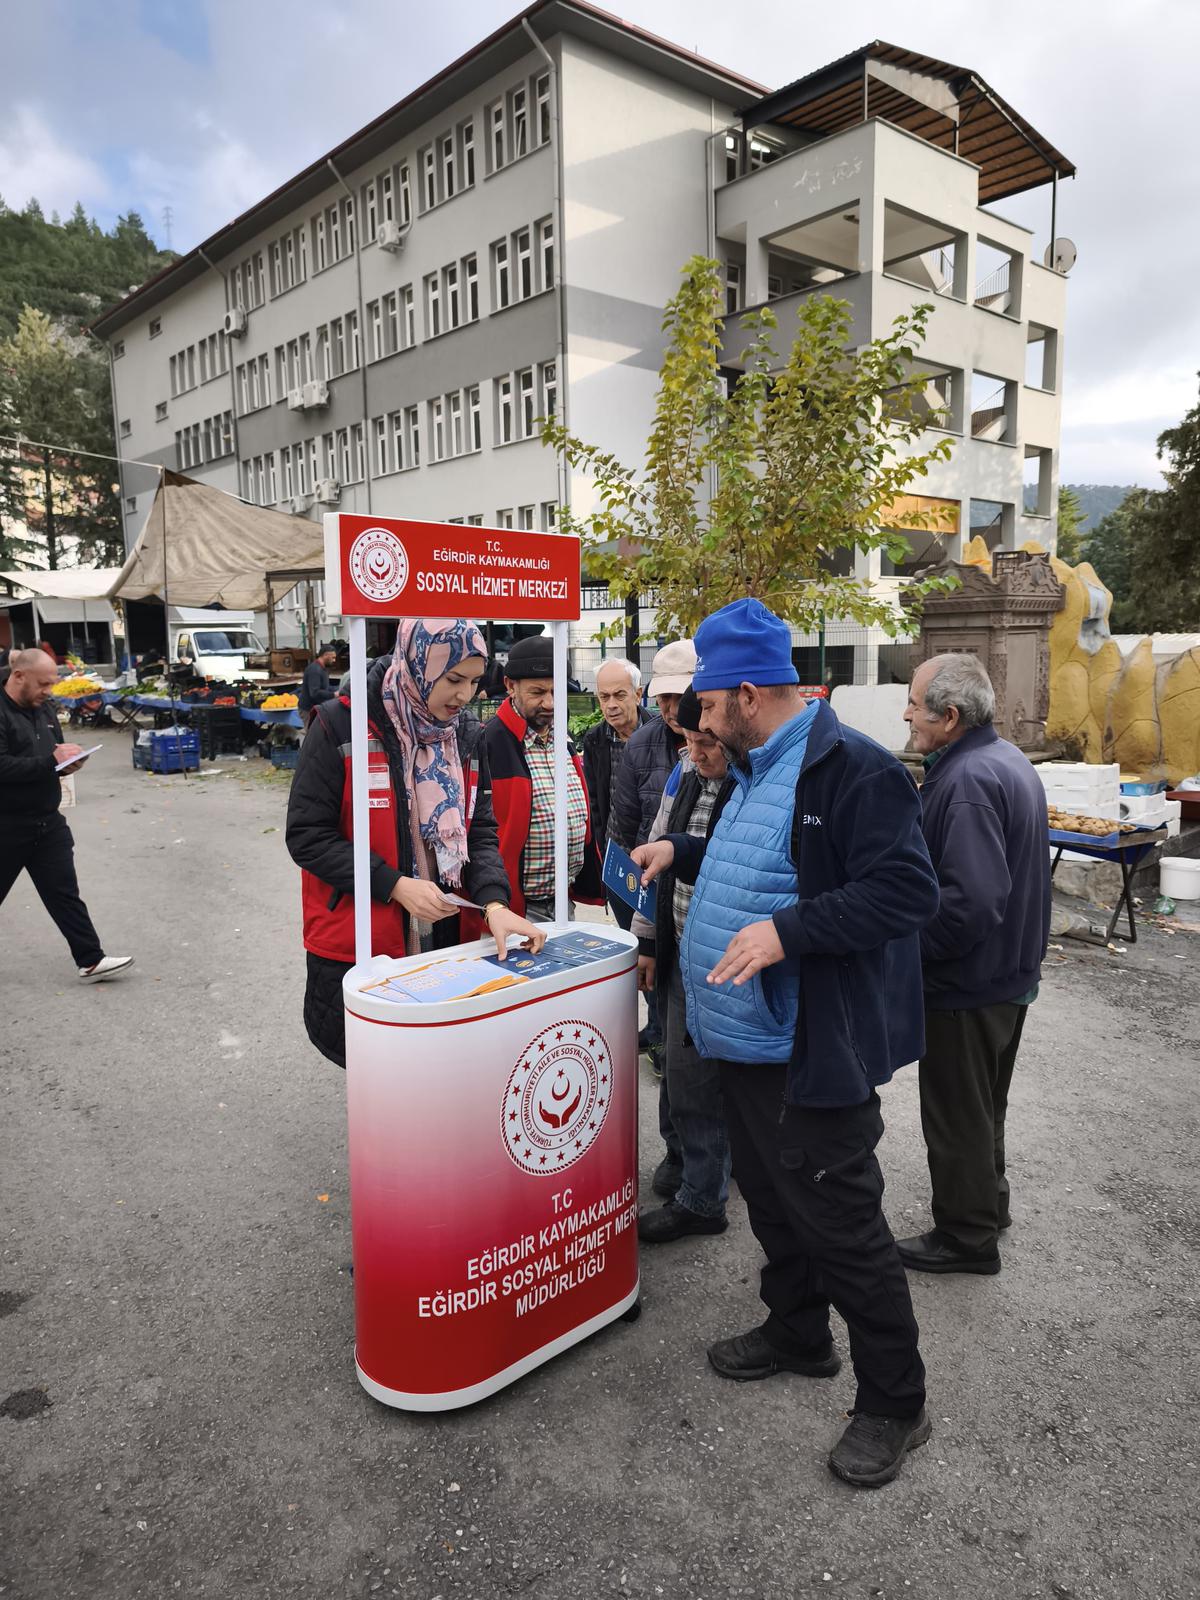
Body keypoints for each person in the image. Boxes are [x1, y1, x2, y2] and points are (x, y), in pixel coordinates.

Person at [634, 598, 940, 1489]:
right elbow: (761, 865)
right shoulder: (756, 763)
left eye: (707, 699)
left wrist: (789, 934)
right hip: (746, 1045)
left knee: (844, 1227)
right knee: (773, 1204)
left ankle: (895, 1402)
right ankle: (800, 1332)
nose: (696, 717)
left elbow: (907, 894)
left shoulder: (855, 770)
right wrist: (678, 858)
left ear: (749, 692)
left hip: (809, 1050)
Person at [285, 619, 544, 1068]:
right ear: (418, 664)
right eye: (453, 679)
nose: (464, 696)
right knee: (382, 1075)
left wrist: (495, 904)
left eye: (474, 682)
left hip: (446, 931)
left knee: (440, 1069)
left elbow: (480, 830)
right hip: (367, 937)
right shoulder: (338, 725)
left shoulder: (465, 735)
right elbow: (308, 836)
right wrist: (394, 884)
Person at [897, 653, 1051, 1276]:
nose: (906, 713)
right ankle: (990, 1206)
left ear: (951, 717)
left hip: (967, 984)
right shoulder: (1005, 760)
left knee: (958, 1111)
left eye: (914, 703)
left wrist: (906, 948)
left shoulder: (965, 782)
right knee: (986, 1103)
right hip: (1006, 977)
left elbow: (970, 902)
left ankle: (966, 1237)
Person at [633, 686, 735, 1242]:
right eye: (688, 741)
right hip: (677, 947)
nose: (695, 752)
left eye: (705, 743)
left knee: (701, 1080)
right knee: (674, 1064)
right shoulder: (688, 775)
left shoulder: (747, 786)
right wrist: (648, 941)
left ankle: (704, 1196)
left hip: (719, 957)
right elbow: (660, 852)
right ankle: (686, 1164)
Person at [0, 649, 133, 983]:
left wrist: (69, 763)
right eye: (43, 684)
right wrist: (49, 762)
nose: (49, 691)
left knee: (64, 893)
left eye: (52, 685)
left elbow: (52, 755)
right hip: (7, 825)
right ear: (18, 677)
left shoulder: (43, 708)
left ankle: (91, 960)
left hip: (47, 823)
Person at [479, 633, 602, 923]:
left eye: (557, 692)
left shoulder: (563, 738)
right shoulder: (489, 744)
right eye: (538, 692)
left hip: (564, 901)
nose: (549, 703)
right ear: (510, 686)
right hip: (516, 909)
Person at [612, 639, 696, 1063]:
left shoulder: (718, 745)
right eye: (664, 697)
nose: (671, 708)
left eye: (680, 696)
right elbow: (624, 828)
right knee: (654, 977)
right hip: (648, 884)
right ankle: (663, 1047)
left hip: (695, 891)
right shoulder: (640, 746)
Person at [580, 658, 652, 899]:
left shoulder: (660, 733)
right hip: (615, 859)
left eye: (619, 695)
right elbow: (594, 802)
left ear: (638, 694)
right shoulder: (595, 739)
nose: (611, 705)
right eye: (604, 696)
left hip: (654, 856)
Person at [299, 644, 339, 715]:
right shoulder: (315, 670)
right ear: (325, 655)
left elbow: (325, 687)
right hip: (309, 710)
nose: (334, 660)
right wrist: (333, 695)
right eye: (333, 658)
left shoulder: (322, 669)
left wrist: (338, 689)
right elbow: (314, 693)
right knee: (310, 726)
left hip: (316, 708)